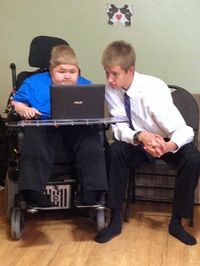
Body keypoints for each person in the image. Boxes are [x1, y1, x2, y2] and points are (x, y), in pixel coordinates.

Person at [95, 40, 200, 245]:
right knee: (116, 150)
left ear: (130, 70)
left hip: (167, 141)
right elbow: (118, 127)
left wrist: (167, 146)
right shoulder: (111, 89)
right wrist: (140, 136)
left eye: (114, 74)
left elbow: (183, 129)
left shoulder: (153, 89)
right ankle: (115, 219)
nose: (110, 79)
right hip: (139, 140)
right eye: (106, 72)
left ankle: (177, 222)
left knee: (194, 159)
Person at [12, 44, 108, 207]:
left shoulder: (85, 85)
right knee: (34, 133)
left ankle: (92, 191)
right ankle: (32, 192)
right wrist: (25, 109)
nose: (67, 76)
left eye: (72, 72)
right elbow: (16, 103)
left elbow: (95, 109)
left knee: (92, 140)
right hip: (44, 128)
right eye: (61, 71)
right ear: (51, 70)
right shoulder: (32, 83)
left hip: (75, 130)